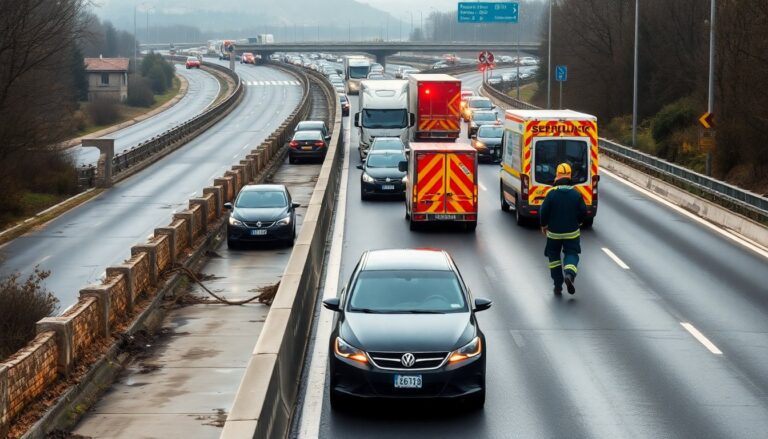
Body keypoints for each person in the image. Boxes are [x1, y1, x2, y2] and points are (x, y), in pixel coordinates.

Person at [539, 163, 587, 295]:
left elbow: (543, 211)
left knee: (553, 257)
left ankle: (557, 285)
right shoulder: (576, 194)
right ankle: (569, 274)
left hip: (554, 233)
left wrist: (544, 225)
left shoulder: (551, 194)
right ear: (570, 176)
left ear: (557, 175)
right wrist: (579, 222)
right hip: (572, 232)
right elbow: (583, 211)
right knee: (571, 254)